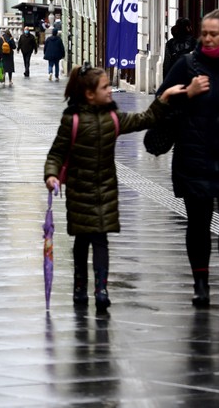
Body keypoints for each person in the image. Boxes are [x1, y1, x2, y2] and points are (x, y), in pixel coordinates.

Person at [44, 63, 186, 313]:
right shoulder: (72, 120)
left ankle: (101, 289)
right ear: (90, 94)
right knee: (81, 241)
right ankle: (80, 285)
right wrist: (51, 175)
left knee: (100, 240)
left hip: (105, 191)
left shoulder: (113, 118)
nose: (110, 90)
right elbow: (57, 152)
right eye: (105, 86)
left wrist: (163, 98)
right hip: (78, 191)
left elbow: (145, 119)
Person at [157, 8, 219, 307]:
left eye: (214, 34)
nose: (207, 39)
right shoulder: (188, 64)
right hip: (194, 155)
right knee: (198, 224)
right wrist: (188, 92)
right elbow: (161, 101)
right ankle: (200, 284)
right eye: (204, 34)